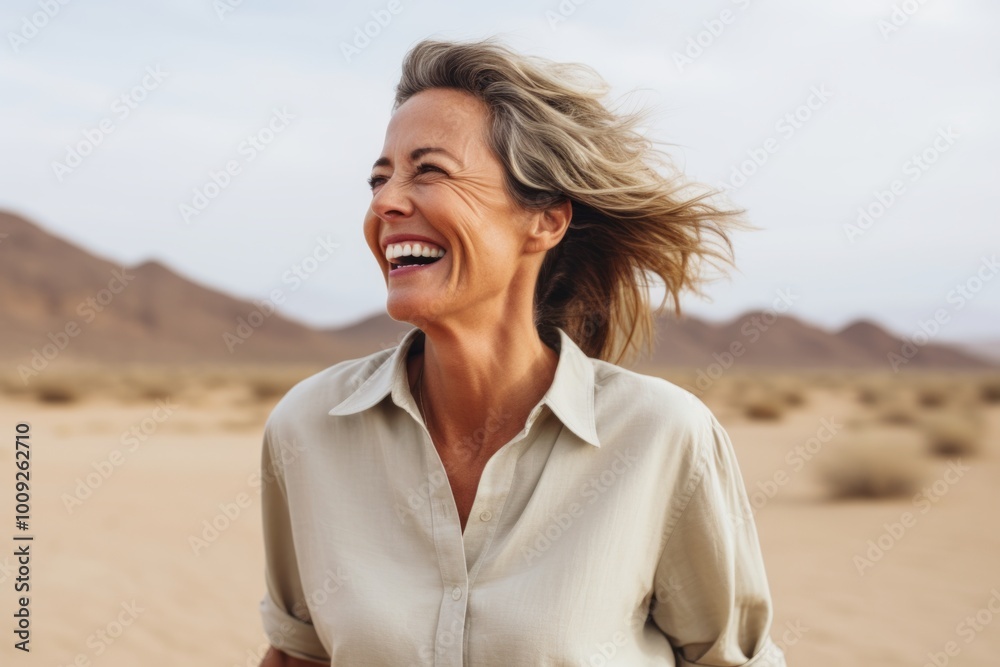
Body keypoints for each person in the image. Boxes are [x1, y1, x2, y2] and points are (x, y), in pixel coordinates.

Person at [258, 37, 786, 667]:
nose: (384, 203)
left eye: (428, 170)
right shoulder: (309, 427)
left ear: (545, 221)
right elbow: (299, 656)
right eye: (379, 178)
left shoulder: (661, 438)